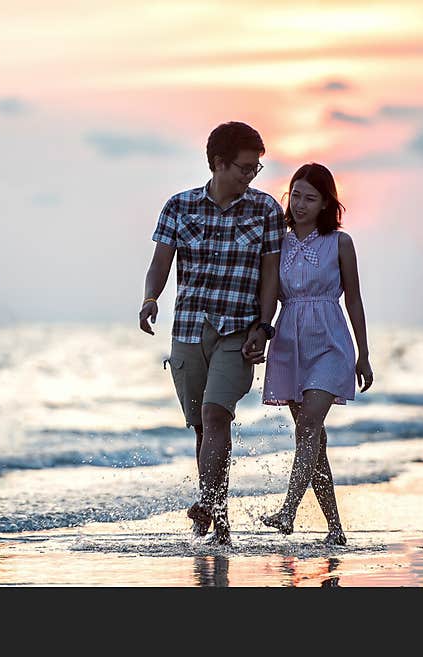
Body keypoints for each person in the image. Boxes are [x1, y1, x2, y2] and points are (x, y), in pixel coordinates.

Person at [139, 121, 285, 546]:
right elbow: (159, 264)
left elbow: (270, 277)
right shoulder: (179, 207)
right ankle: (217, 521)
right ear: (218, 164)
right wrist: (150, 299)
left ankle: (208, 506)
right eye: (244, 168)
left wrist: (263, 325)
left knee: (216, 414)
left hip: (238, 331)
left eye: (256, 169)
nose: (251, 176)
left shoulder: (265, 210)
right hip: (188, 328)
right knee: (203, 428)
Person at [260, 162, 373, 546]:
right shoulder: (278, 240)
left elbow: (354, 300)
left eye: (311, 198)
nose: (302, 204)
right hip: (289, 343)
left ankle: (288, 511)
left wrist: (364, 353)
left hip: (330, 342)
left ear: (326, 203)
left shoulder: (340, 243)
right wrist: (256, 335)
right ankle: (336, 529)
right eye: (296, 195)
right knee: (313, 439)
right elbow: (268, 296)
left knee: (308, 426)